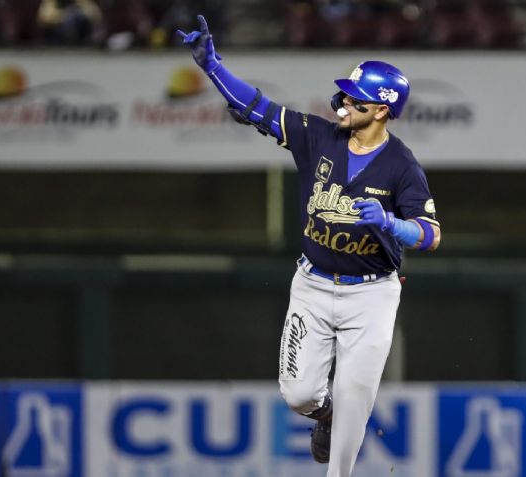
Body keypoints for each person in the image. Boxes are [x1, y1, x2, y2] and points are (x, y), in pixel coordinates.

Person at [177, 15, 441, 477]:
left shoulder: (402, 166)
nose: (342, 101)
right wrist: (214, 68)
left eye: (354, 99)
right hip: (313, 285)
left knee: (357, 397)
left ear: (381, 110)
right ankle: (324, 414)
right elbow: (259, 107)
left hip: (371, 293)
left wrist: (396, 225)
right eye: (344, 94)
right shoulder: (319, 137)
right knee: (299, 395)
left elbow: (432, 232)